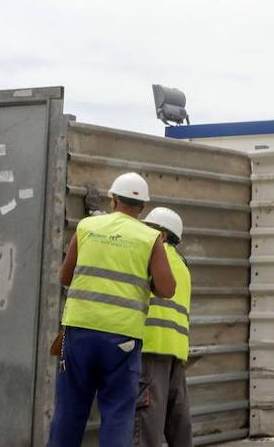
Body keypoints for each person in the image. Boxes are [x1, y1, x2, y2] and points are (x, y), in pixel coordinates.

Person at [48, 172, 176, 447]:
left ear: (113, 199)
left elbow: (65, 277)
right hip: (123, 340)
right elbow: (167, 289)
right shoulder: (150, 237)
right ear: (142, 207)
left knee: (69, 411)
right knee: (117, 414)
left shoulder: (86, 227)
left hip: (79, 332)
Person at [135, 207, 193, 447]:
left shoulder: (153, 257)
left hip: (151, 349)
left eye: (150, 229)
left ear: (163, 236)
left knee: (146, 423)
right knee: (177, 422)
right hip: (176, 353)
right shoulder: (182, 264)